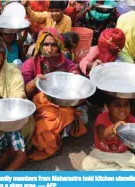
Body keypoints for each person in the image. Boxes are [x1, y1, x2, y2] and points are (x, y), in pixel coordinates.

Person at [21, 28, 86, 161]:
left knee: (75, 117)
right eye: (46, 44)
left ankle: (56, 138)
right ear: (39, 45)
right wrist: (34, 82)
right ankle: (52, 143)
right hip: (39, 104)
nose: (49, 49)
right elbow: (24, 92)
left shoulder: (66, 62)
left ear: (59, 45)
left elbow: (76, 76)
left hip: (61, 103)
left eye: (53, 44)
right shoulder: (30, 64)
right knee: (43, 125)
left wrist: (74, 76)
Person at [82, 95, 135, 170]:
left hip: (122, 154)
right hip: (101, 153)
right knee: (87, 163)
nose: (123, 109)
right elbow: (101, 135)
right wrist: (114, 128)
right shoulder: (102, 117)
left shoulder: (131, 119)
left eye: (126, 104)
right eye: (117, 105)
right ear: (107, 107)